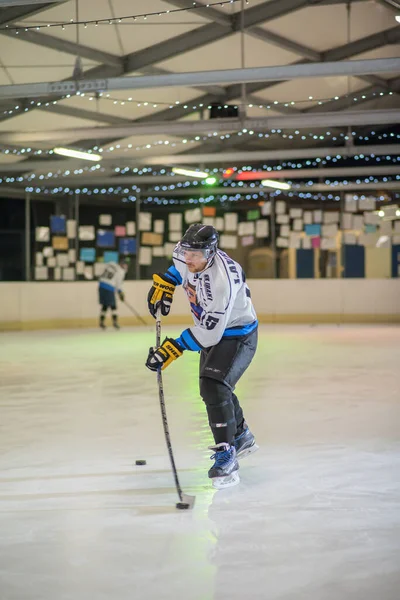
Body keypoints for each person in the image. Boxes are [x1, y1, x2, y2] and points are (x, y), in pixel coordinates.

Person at [145, 224, 258, 489]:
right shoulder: (186, 254)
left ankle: (226, 453)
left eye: (196, 254)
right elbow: (179, 268)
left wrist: (172, 349)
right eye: (186, 252)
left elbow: (210, 334)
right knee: (215, 388)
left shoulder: (222, 282)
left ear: (211, 252)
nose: (189, 258)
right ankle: (240, 435)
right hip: (212, 327)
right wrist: (168, 282)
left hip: (237, 333)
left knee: (214, 384)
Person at [98, 259, 128, 330]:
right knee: (113, 306)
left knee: (105, 305)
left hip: (101, 285)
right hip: (109, 288)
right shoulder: (121, 271)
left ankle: (101, 322)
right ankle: (115, 322)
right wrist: (121, 293)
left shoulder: (111, 263)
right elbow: (118, 285)